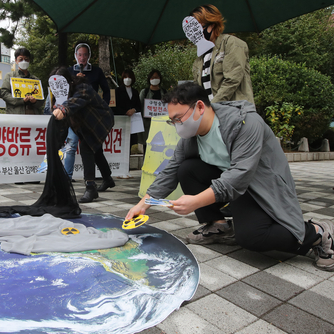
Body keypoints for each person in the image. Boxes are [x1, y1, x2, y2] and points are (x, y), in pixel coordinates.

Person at [125, 82, 334, 271]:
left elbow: (240, 175)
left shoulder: (245, 123)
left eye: (178, 119)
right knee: (186, 169)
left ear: (199, 107)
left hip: (261, 184)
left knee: (252, 238)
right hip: (232, 183)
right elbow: (172, 169)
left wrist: (196, 201)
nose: (177, 125)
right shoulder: (190, 137)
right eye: (173, 121)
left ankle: (317, 233)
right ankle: (219, 226)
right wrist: (144, 204)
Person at [51, 67, 114, 203]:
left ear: (68, 81)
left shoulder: (83, 87)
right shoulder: (60, 97)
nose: (58, 88)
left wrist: (62, 108)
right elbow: (64, 121)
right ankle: (108, 179)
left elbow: (75, 101)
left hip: (100, 120)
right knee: (95, 150)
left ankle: (91, 188)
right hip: (84, 124)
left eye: (60, 84)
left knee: (86, 147)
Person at [62, 42, 112, 181]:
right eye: (79, 55)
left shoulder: (96, 71)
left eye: (85, 55)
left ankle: (106, 179)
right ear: (75, 56)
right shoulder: (69, 71)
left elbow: (106, 90)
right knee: (72, 145)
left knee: (94, 147)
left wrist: (104, 107)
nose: (82, 58)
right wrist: (74, 81)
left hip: (92, 117)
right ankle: (68, 177)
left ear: (89, 56)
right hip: (75, 115)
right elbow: (64, 92)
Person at [189, 4, 254, 104]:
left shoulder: (231, 43)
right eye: (193, 30)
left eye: (200, 27)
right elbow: (197, 88)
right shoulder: (200, 57)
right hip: (213, 114)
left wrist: (212, 106)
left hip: (235, 111)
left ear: (213, 24)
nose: (197, 33)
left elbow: (232, 80)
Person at [0, 48, 43, 114]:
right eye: (21, 59)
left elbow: (41, 100)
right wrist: (21, 100)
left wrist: (35, 101)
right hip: (15, 114)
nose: (24, 61)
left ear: (29, 60)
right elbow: (4, 93)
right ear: (16, 61)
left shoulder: (35, 80)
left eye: (26, 59)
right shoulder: (10, 76)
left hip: (33, 115)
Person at [138, 69, 167, 147]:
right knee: (147, 145)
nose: (154, 79)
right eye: (152, 77)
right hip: (147, 124)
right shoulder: (144, 92)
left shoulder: (164, 92)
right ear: (149, 79)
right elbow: (139, 106)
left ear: (160, 78)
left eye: (156, 77)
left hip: (161, 124)